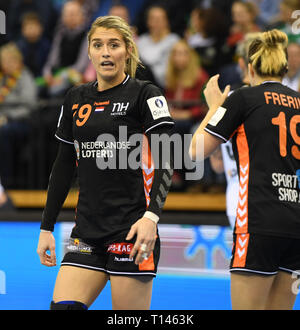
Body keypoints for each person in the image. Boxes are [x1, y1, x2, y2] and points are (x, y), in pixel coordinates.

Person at [37, 15, 174, 310]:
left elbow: (167, 157)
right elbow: (63, 165)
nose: (106, 52)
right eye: (98, 45)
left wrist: (151, 218)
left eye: (114, 45)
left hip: (132, 230)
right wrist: (46, 228)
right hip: (86, 232)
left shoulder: (145, 94)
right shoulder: (75, 98)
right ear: (89, 52)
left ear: (127, 50)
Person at [190, 29, 300, 310]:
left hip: (258, 220)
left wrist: (214, 107)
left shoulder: (244, 98)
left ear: (250, 68)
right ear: (285, 68)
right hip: (295, 224)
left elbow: (196, 151)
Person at [210, 32, 261, 228]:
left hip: (236, 192)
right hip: (269, 193)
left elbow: (217, 164)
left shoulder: (227, 98)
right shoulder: (273, 98)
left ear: (241, 64)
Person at [0, 42, 38, 188]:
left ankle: (6, 181)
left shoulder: (25, 76)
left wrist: (8, 117)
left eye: (10, 60)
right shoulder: (2, 78)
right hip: (3, 120)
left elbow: (30, 104)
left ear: (18, 60)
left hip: (22, 121)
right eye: (4, 61)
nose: (7, 64)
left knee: (3, 132)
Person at [136, 5, 180, 89]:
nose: (157, 22)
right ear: (148, 21)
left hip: (168, 86)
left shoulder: (174, 41)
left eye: (160, 18)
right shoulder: (141, 41)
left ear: (166, 21)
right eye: (153, 18)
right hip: (144, 84)